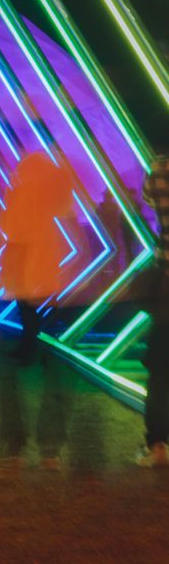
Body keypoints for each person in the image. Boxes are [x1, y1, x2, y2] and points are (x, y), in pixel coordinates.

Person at [0, 151, 77, 470]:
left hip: (20, 291)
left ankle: (13, 443)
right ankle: (49, 448)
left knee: (9, 367)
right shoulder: (57, 200)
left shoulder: (20, 198)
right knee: (54, 368)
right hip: (51, 290)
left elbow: (10, 229)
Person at [140, 155, 169, 467]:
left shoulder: (160, 171)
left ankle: (158, 444)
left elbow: (149, 197)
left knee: (160, 369)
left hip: (166, 283)